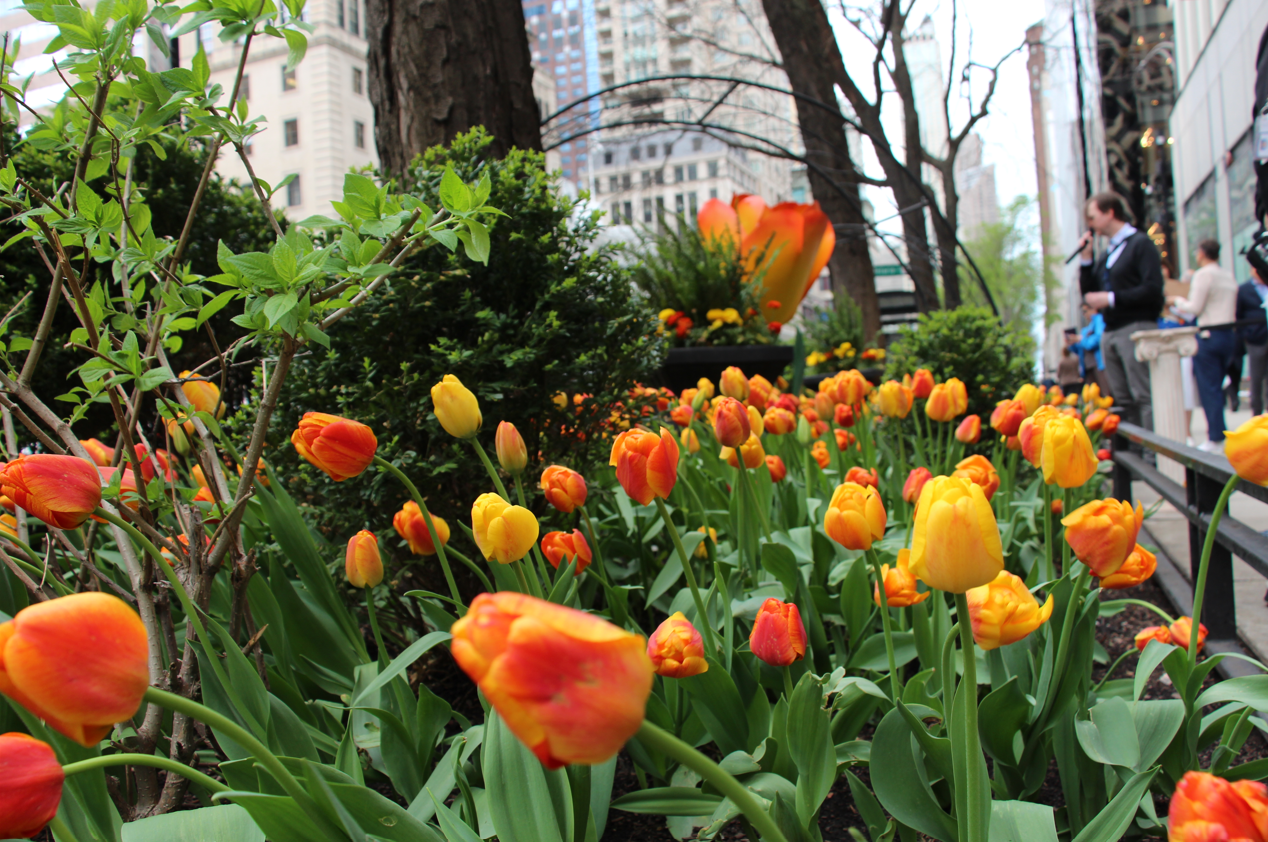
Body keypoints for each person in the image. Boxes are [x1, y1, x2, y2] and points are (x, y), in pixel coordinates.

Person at [1079, 193, 1166, 431]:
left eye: (1093, 217)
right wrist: (1085, 261)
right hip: (1112, 330)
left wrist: (1111, 298)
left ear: (1110, 213)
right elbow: (1089, 293)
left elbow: (1153, 290)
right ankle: (1135, 457)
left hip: (1136, 327)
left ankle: (1152, 455)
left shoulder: (1140, 244)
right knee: (1122, 398)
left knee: (1143, 394)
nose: (1091, 224)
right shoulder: (1108, 254)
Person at [1168, 239, 1239, 451]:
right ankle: (1219, 433)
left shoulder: (1203, 274)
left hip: (1208, 336)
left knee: (1209, 388)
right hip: (1228, 335)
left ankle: (1215, 437)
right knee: (1217, 386)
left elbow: (1194, 307)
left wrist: (1176, 301)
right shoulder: (1228, 275)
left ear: (1201, 253)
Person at [1238, 238, 1268, 415]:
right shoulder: (1244, 289)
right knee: (1256, 378)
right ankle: (1256, 415)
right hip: (1256, 339)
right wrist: (1247, 335)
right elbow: (1238, 315)